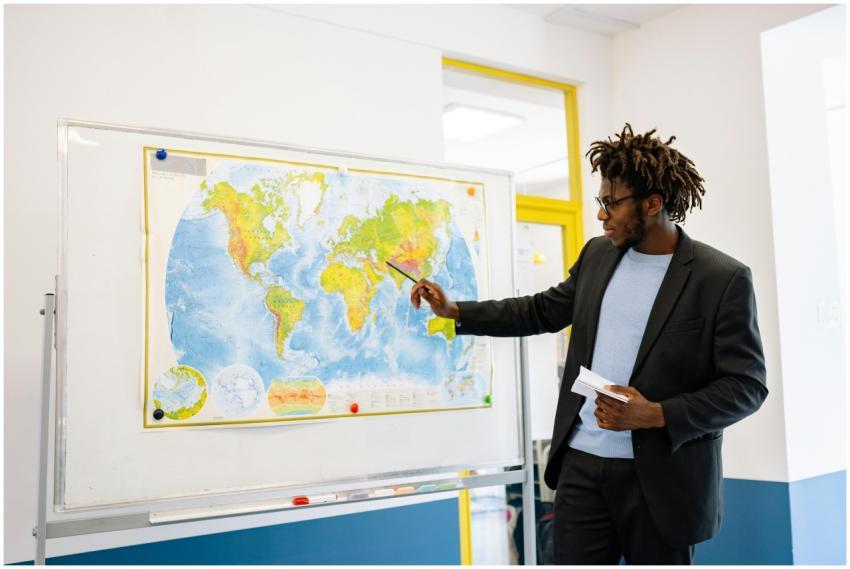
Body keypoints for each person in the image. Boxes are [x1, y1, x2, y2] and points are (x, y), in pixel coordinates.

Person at [410, 124, 768, 565]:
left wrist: (656, 414)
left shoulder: (720, 278)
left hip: (662, 479)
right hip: (581, 464)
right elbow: (541, 310)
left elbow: (746, 386)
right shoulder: (598, 255)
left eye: (610, 204)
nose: (601, 215)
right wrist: (457, 311)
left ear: (652, 204)